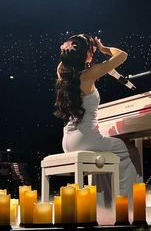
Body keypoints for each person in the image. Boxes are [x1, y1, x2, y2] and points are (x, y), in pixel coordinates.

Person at [54, 33, 143, 207]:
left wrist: (83, 46)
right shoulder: (89, 75)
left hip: (68, 140)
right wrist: (103, 48)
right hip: (86, 139)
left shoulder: (62, 72)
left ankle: (104, 203)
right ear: (86, 53)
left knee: (105, 157)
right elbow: (122, 55)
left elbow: (67, 60)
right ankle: (127, 205)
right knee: (130, 151)